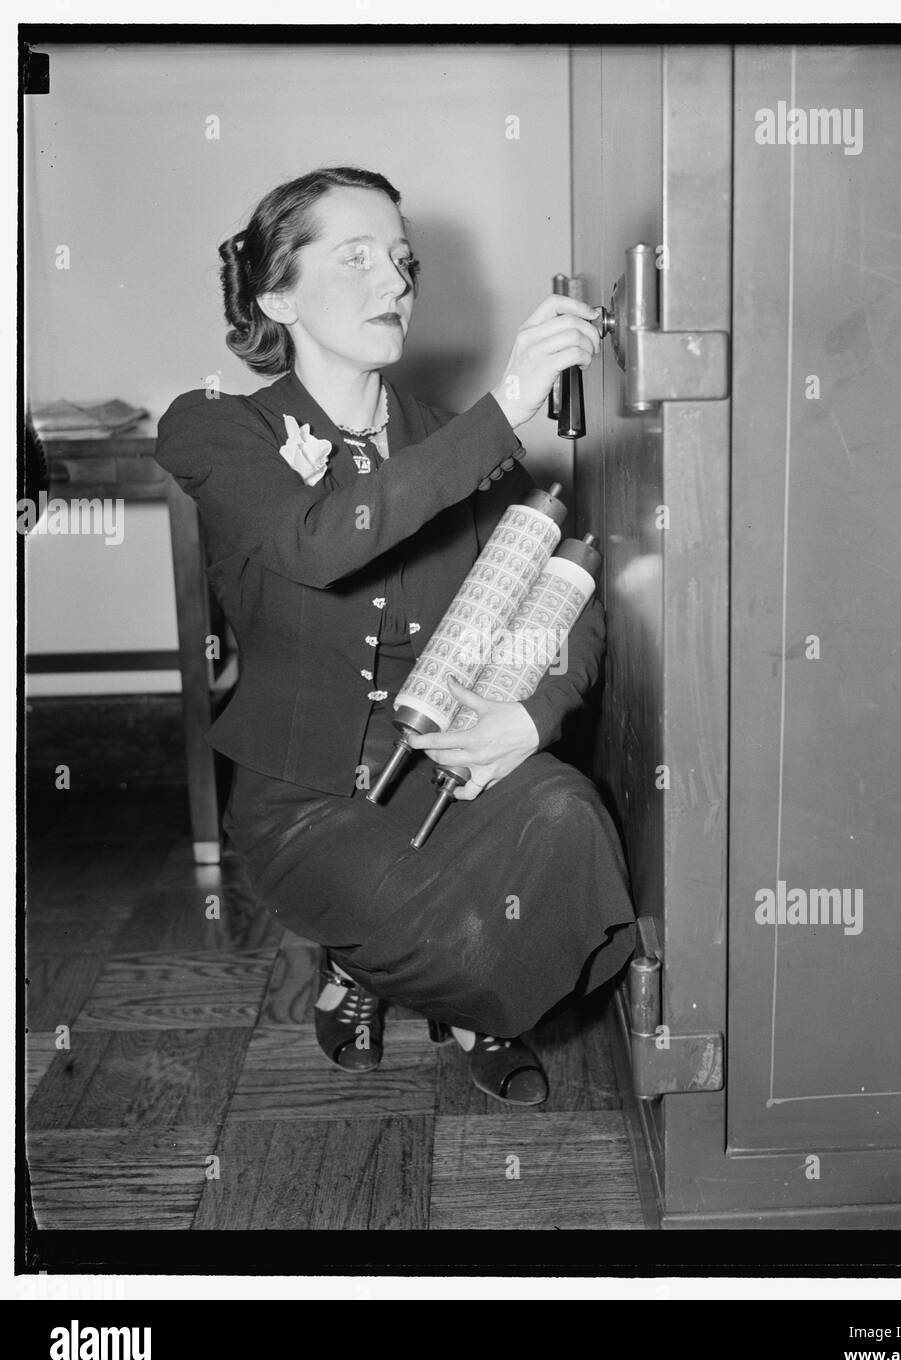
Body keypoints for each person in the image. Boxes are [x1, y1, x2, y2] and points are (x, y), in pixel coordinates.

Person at [155, 166, 637, 1106]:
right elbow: (320, 544)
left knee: (570, 820)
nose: (397, 282)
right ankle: (448, 995)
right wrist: (509, 405)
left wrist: (531, 719)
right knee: (463, 936)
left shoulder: (453, 437)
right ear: (276, 293)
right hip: (306, 796)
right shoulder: (215, 427)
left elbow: (565, 597)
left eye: (404, 262)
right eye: (358, 257)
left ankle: (413, 983)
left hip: (452, 767)